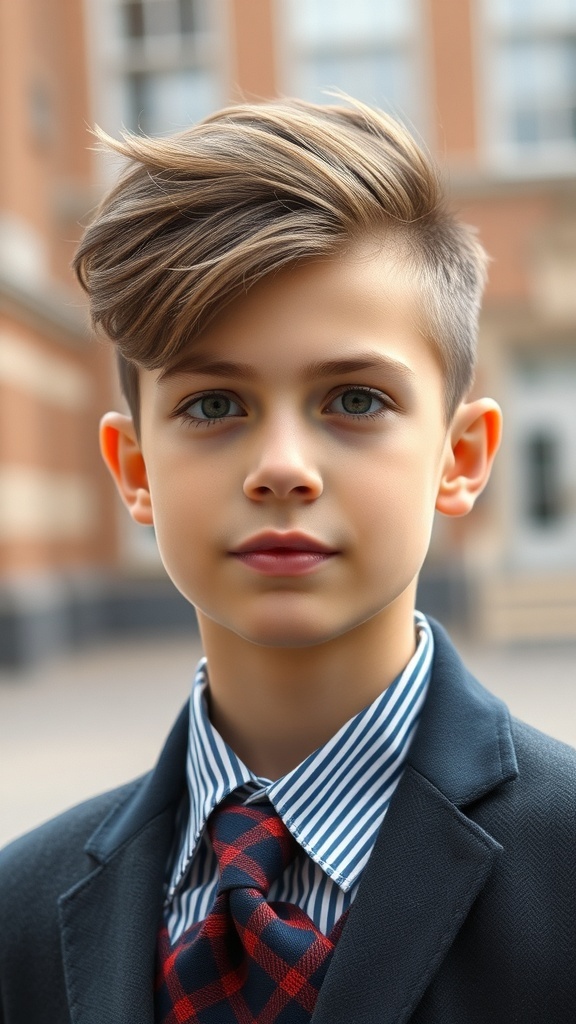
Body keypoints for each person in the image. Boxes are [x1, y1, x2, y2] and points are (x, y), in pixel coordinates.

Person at [0, 97, 574, 1024]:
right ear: (134, 469)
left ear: (459, 458)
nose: (281, 469)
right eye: (214, 406)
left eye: (353, 398)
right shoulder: (16, 913)